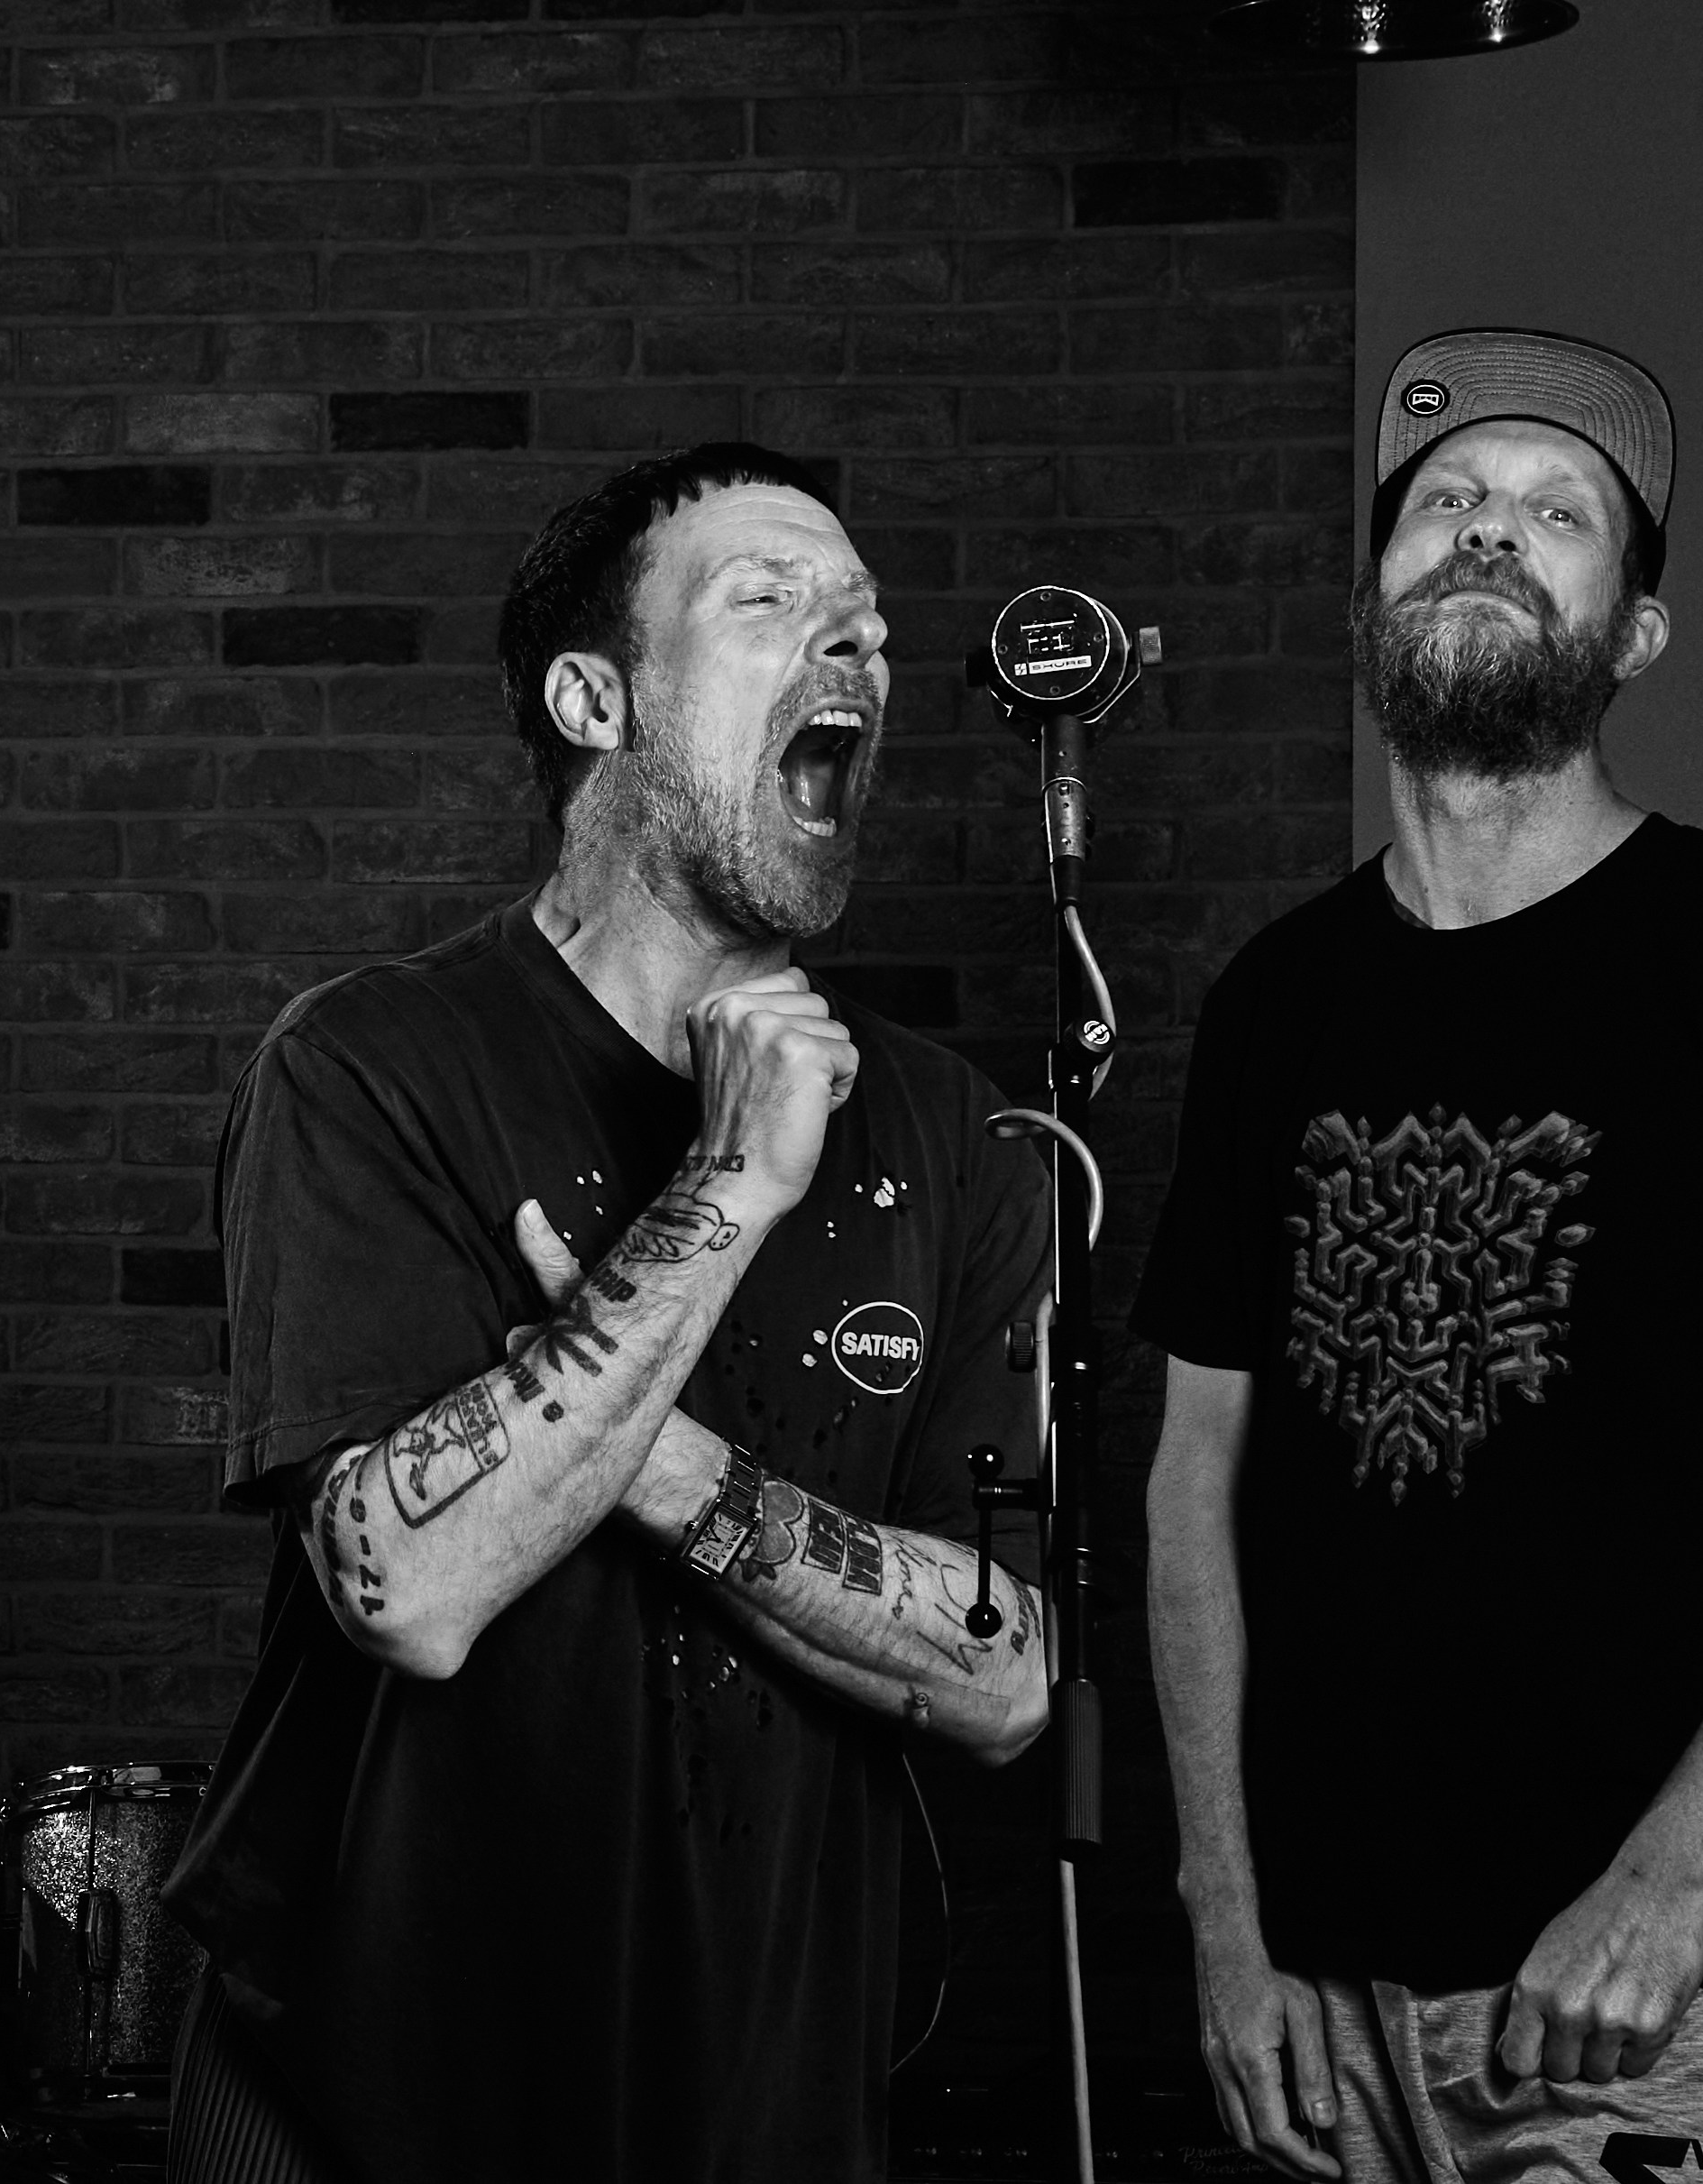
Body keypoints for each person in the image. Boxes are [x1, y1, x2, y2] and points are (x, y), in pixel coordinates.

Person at [1136, 328, 1703, 2184]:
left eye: (1555, 515)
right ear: (1373, 596)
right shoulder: (1274, 1002)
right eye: (1443, 504)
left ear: (1635, 635)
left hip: (1646, 2001)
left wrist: (1668, 1883)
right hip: (1315, 2002)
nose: (1483, 535)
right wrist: (1221, 1919)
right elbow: (1191, 1481)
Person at [157, 443, 1057, 2183]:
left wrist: (654, 1463)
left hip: (766, 2107)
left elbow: (1006, 1674)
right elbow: (401, 1586)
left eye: (867, 627)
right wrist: (729, 1190)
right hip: (363, 2098)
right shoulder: (370, 1067)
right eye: (771, 602)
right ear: (594, 700)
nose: (850, 649)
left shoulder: (949, 1133)